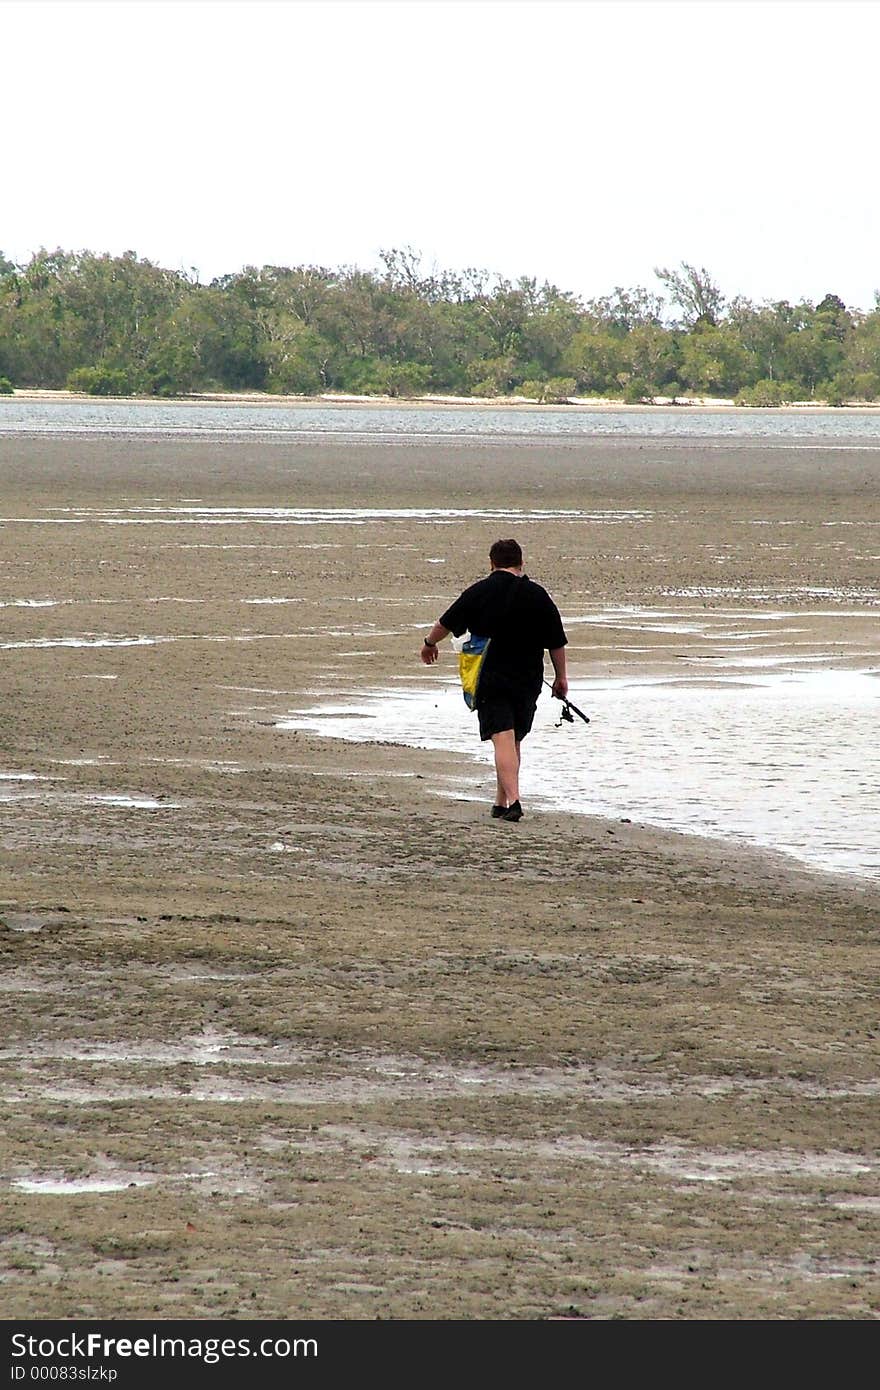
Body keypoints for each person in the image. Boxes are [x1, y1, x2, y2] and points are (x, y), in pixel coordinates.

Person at [420, 538, 568, 822]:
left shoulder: (480, 591)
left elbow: (445, 623)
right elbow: (556, 642)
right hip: (529, 678)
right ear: (521, 562)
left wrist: (429, 643)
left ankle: (514, 800)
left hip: (491, 675)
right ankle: (500, 803)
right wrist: (561, 678)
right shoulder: (538, 595)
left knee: (502, 737)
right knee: (513, 741)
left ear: (492, 563)